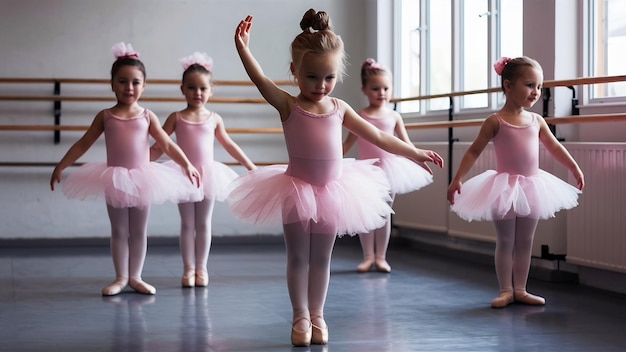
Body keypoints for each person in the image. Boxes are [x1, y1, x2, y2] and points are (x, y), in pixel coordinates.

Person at [231, 10, 444, 346]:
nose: (320, 85)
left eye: (328, 77)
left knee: (322, 258)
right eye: (312, 77)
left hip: (334, 192)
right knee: (298, 257)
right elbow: (260, 80)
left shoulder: (340, 108)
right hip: (296, 190)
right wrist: (244, 48)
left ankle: (318, 314)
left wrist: (414, 152)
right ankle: (299, 315)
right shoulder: (288, 105)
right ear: (294, 72)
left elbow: (378, 136)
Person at [50, 42, 201, 296]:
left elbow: (166, 143)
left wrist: (186, 164)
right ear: (112, 84)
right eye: (122, 81)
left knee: (139, 230)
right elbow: (84, 142)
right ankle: (120, 277)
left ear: (143, 85)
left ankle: (136, 276)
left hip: (143, 178)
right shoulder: (105, 116)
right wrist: (61, 165)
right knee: (119, 230)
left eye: (135, 82)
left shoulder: (147, 116)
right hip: (115, 179)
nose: (128, 88)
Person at [446, 56, 584, 309]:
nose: (536, 92)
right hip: (504, 189)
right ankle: (505, 290)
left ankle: (521, 288)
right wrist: (457, 179)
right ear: (508, 86)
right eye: (530, 85)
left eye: (539, 87)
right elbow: (473, 152)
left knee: (525, 241)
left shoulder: (537, 121)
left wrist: (573, 167)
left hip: (532, 186)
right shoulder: (495, 121)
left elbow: (554, 147)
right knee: (506, 241)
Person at [150, 52, 256, 288]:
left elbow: (228, 143)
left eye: (202, 88)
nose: (197, 93)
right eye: (191, 87)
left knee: (204, 223)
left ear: (211, 90)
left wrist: (248, 164)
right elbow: (160, 144)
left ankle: (202, 268)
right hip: (182, 175)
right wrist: (143, 160)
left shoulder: (214, 118)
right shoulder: (176, 117)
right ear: (182, 90)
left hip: (208, 176)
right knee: (187, 223)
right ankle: (188, 269)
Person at [343, 58, 434, 273]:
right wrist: (330, 158)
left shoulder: (394, 116)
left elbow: (405, 143)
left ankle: (381, 257)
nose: (381, 93)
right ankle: (367, 256)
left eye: (386, 88)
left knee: (384, 214)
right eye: (375, 88)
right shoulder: (359, 115)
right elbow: (347, 144)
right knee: (365, 214)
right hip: (366, 171)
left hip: (390, 171)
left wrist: (417, 158)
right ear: (364, 89)